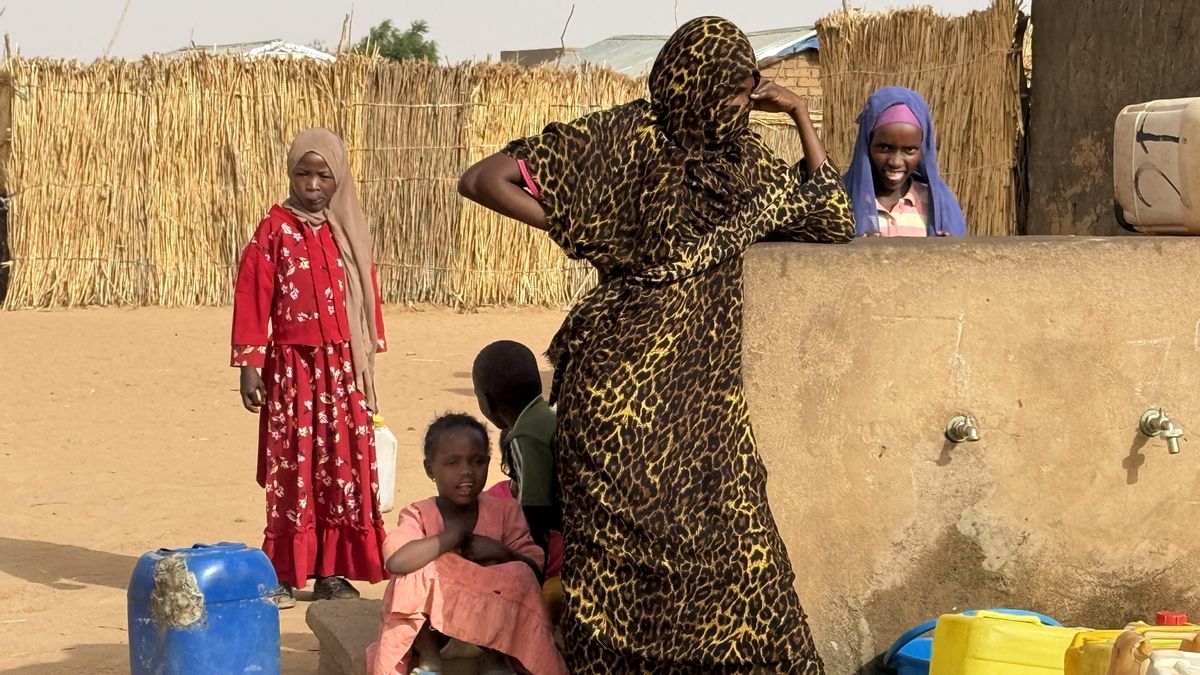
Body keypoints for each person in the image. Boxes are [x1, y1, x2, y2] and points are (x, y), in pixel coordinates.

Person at [458, 15, 854, 674]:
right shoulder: (735, 160)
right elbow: (835, 217)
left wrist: (595, 236)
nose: (737, 103)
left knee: (641, 575)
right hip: (663, 404)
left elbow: (483, 179)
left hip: (640, 396)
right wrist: (799, 119)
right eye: (735, 89)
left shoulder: (636, 138)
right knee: (725, 567)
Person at [231, 128, 388, 607]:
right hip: (292, 372)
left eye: (323, 176)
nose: (313, 185)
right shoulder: (273, 229)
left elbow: (365, 294)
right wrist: (249, 363)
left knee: (341, 467)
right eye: (303, 173)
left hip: (342, 371)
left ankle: (333, 573)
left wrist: (366, 353)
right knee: (293, 469)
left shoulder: (347, 232)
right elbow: (253, 296)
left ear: (338, 179)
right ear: (290, 174)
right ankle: (284, 570)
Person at [368, 414, 567, 675]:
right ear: (430, 469)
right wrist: (454, 537)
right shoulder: (418, 514)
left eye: (477, 461)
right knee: (415, 571)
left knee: (518, 572)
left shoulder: (505, 512)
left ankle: (495, 661)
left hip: (491, 629)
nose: (466, 471)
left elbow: (533, 571)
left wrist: (500, 551)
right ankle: (429, 660)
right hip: (435, 631)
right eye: (452, 462)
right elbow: (397, 562)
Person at [471, 341, 561, 562]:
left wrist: (530, 568)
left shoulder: (525, 437)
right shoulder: (546, 418)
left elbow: (533, 512)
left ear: (488, 402)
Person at [844, 86, 968, 237]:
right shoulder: (843, 201)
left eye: (909, 150)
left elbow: (957, 256)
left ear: (922, 150)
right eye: (884, 148)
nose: (895, 162)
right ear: (867, 143)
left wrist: (944, 250)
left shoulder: (939, 207)